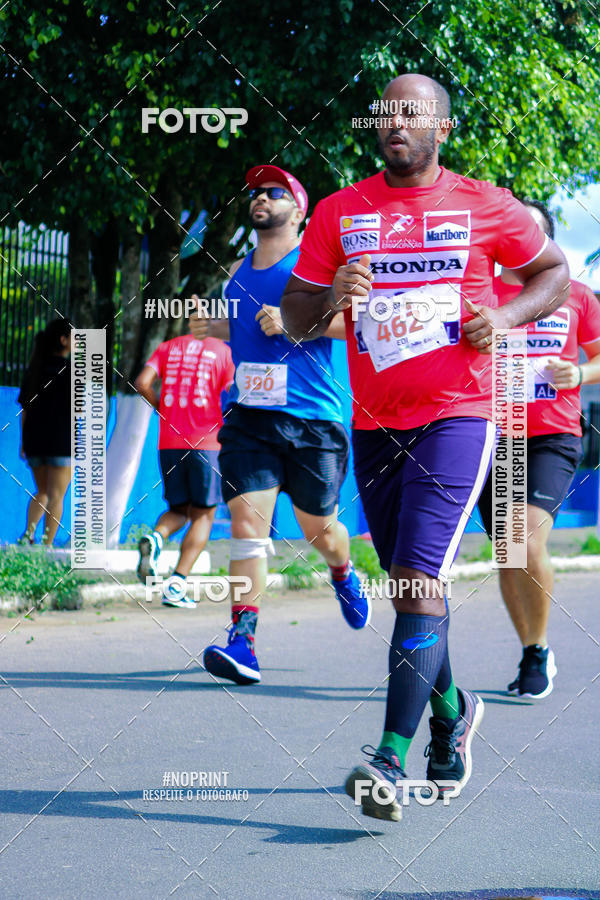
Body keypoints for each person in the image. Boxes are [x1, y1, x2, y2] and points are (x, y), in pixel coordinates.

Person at [281, 74, 569, 821]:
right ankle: (453, 712)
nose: (395, 123)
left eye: (412, 114)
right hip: (375, 424)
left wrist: (506, 317)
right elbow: (296, 315)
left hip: (458, 415)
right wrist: (331, 295)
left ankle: (387, 759)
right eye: (387, 112)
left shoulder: (485, 204)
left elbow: (553, 273)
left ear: (441, 129)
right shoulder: (341, 211)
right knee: (411, 585)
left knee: (415, 579)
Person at [195, 165, 370, 686]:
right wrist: (215, 326)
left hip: (313, 420)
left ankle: (342, 570)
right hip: (249, 417)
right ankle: (242, 641)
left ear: (299, 211)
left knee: (321, 531)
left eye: (275, 192)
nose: (261, 197)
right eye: (256, 191)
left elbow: (359, 324)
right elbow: (249, 327)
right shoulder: (236, 271)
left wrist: (294, 320)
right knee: (248, 526)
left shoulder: (316, 266)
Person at [477, 200, 600, 699]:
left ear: (545, 241)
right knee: (507, 553)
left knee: (525, 540)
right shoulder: (482, 292)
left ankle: (539, 645)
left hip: (553, 435)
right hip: (494, 435)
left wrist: (581, 372)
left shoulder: (576, 295)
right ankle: (532, 649)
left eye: (530, 230)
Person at [134, 312, 234, 607]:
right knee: (204, 514)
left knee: (178, 509)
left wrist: (163, 410)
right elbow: (233, 394)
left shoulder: (168, 347)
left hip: (169, 443)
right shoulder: (223, 352)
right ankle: (176, 585)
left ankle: (156, 538)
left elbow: (142, 383)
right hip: (207, 443)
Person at [18, 318, 73, 546]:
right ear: (63, 340)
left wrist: (24, 443)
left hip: (34, 441)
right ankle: (46, 546)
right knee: (56, 495)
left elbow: (25, 410)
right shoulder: (72, 372)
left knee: (42, 491)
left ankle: (27, 536)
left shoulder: (35, 369)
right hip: (61, 442)